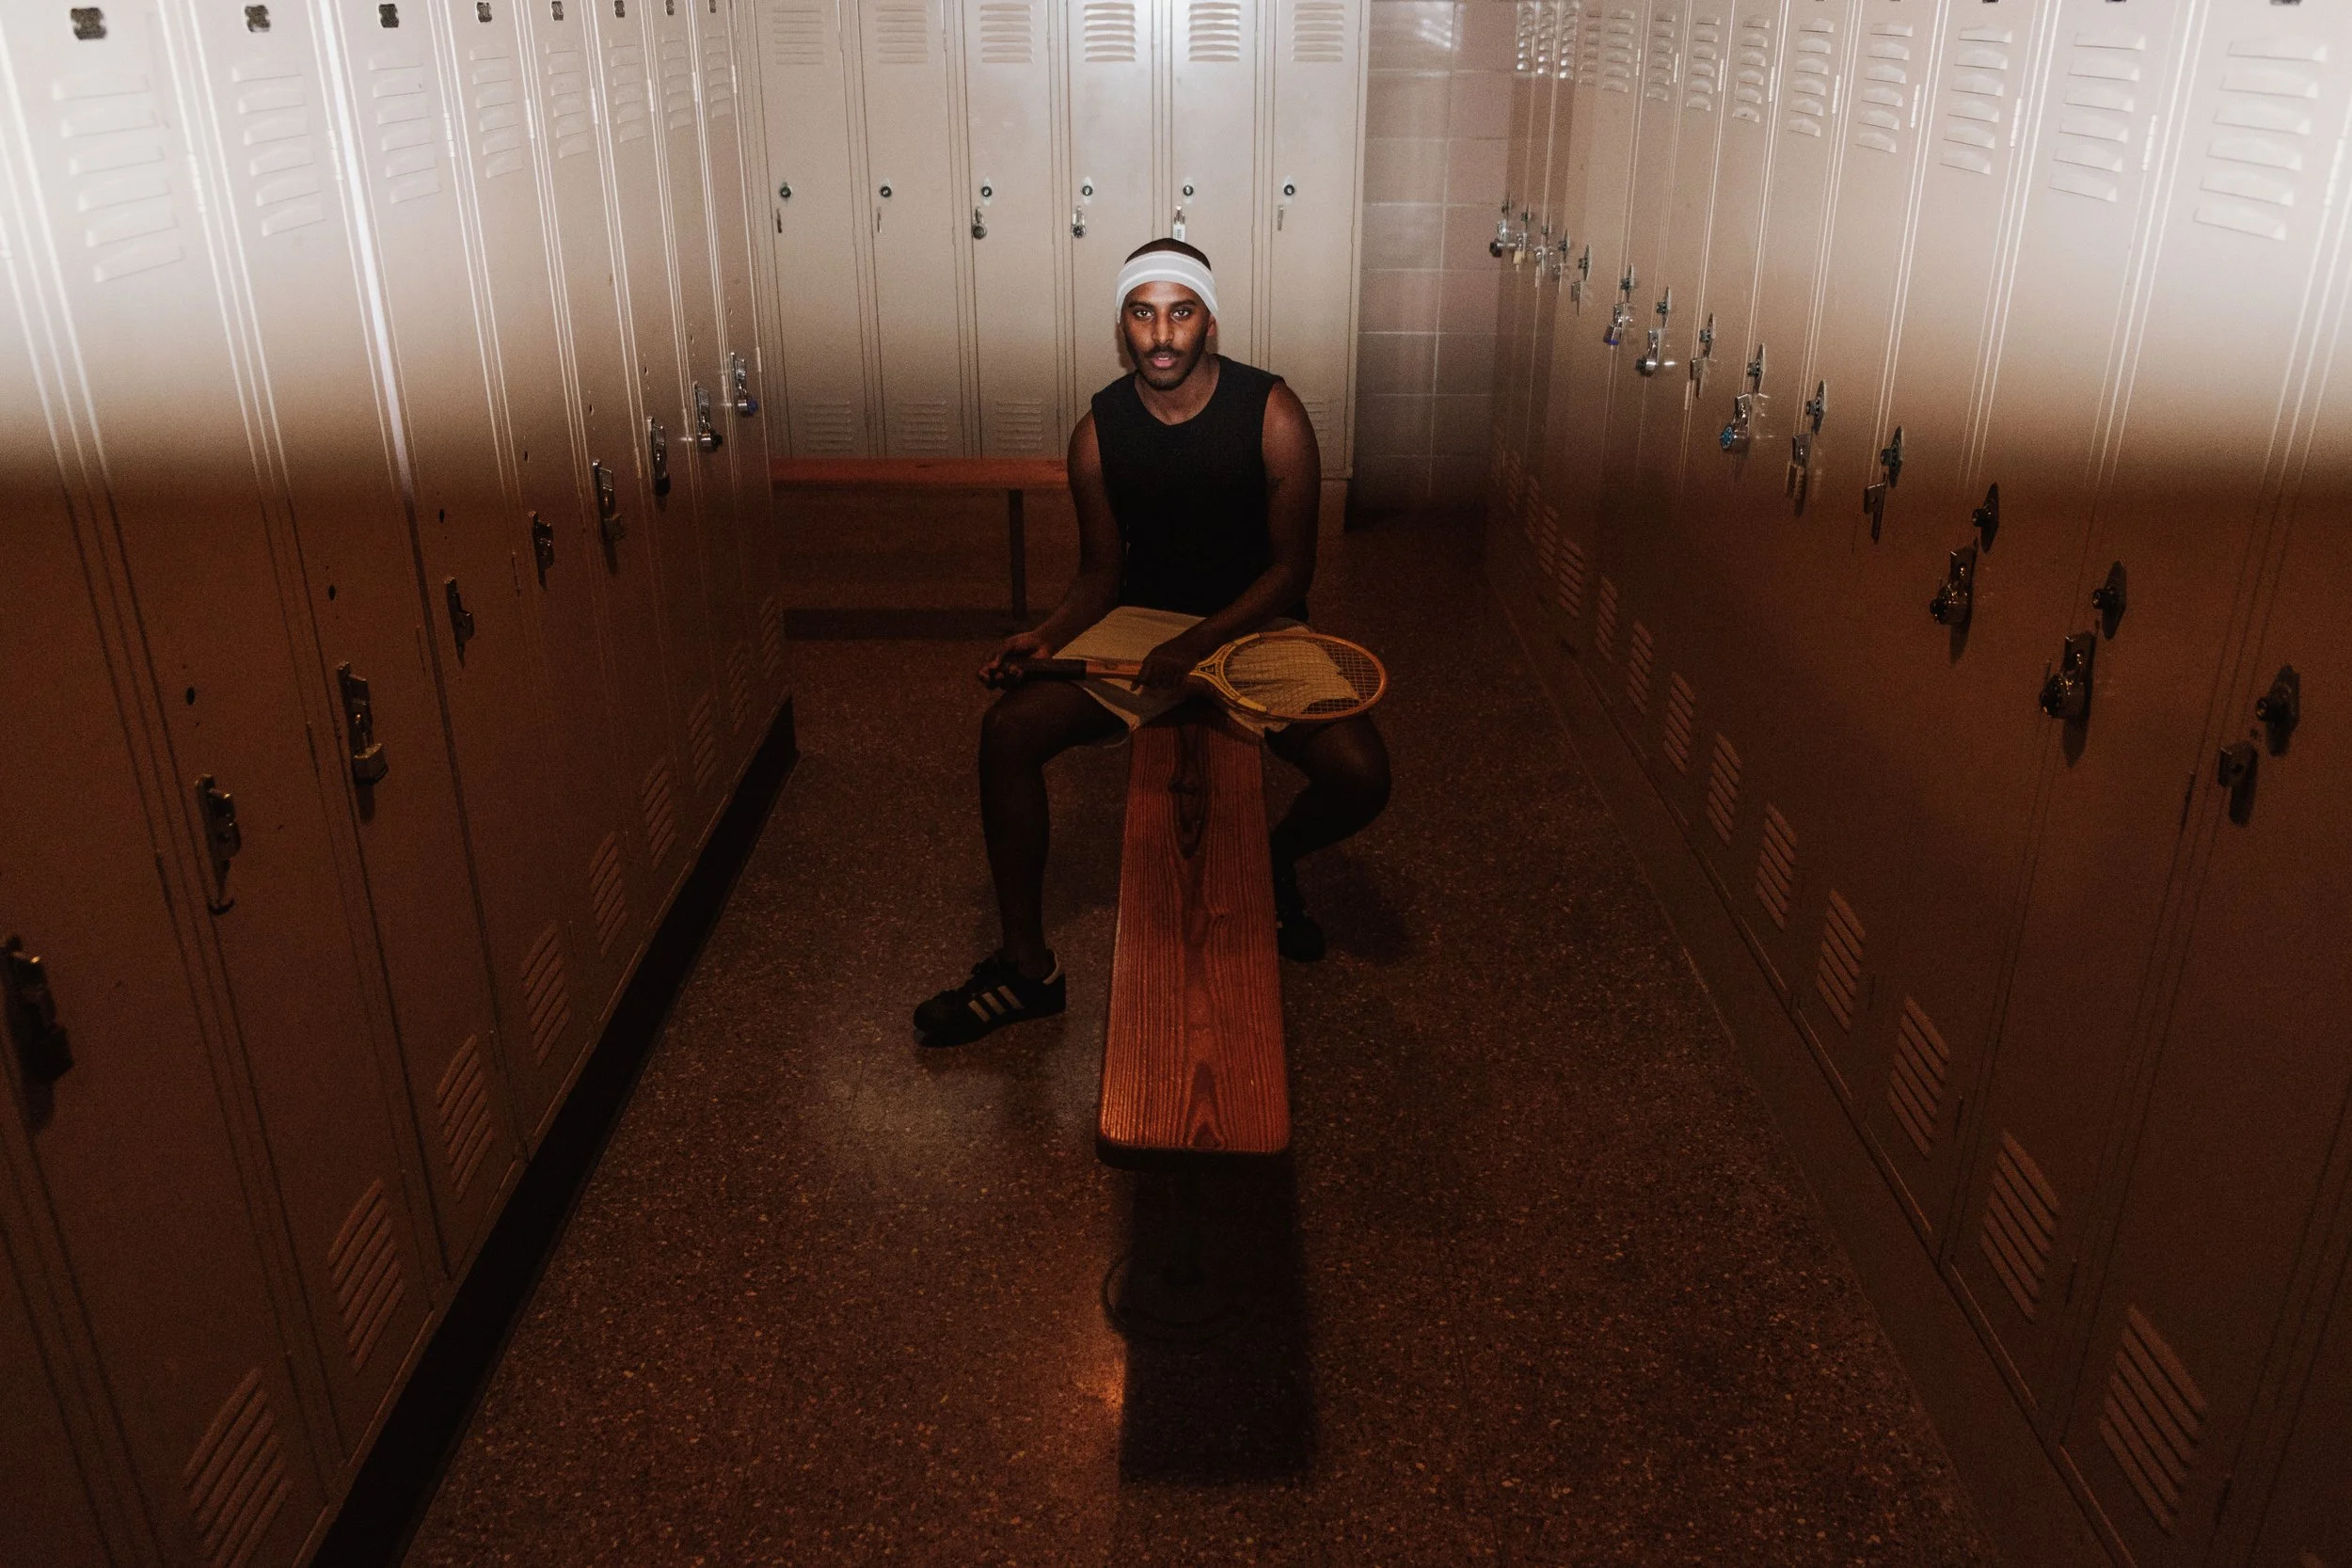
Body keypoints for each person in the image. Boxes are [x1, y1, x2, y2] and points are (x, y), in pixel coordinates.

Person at [913, 238, 1391, 1047]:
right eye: (1143, 313)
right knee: (1008, 732)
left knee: (1362, 775)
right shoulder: (1098, 432)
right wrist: (1046, 636)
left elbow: (1291, 569)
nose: (1162, 334)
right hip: (1146, 623)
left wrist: (1202, 642)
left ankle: (1274, 862)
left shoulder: (1272, 413)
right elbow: (1101, 574)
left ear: (1210, 321)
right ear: (1122, 326)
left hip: (1254, 624)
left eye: (1181, 312)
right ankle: (1026, 971)